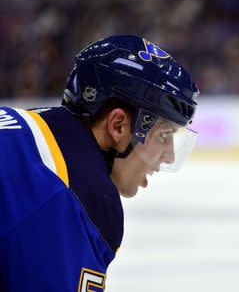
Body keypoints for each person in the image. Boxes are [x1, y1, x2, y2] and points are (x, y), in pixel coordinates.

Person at [0, 35, 199, 291]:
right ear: (118, 125)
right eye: (164, 135)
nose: (169, 155)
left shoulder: (20, 126)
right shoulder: (75, 196)